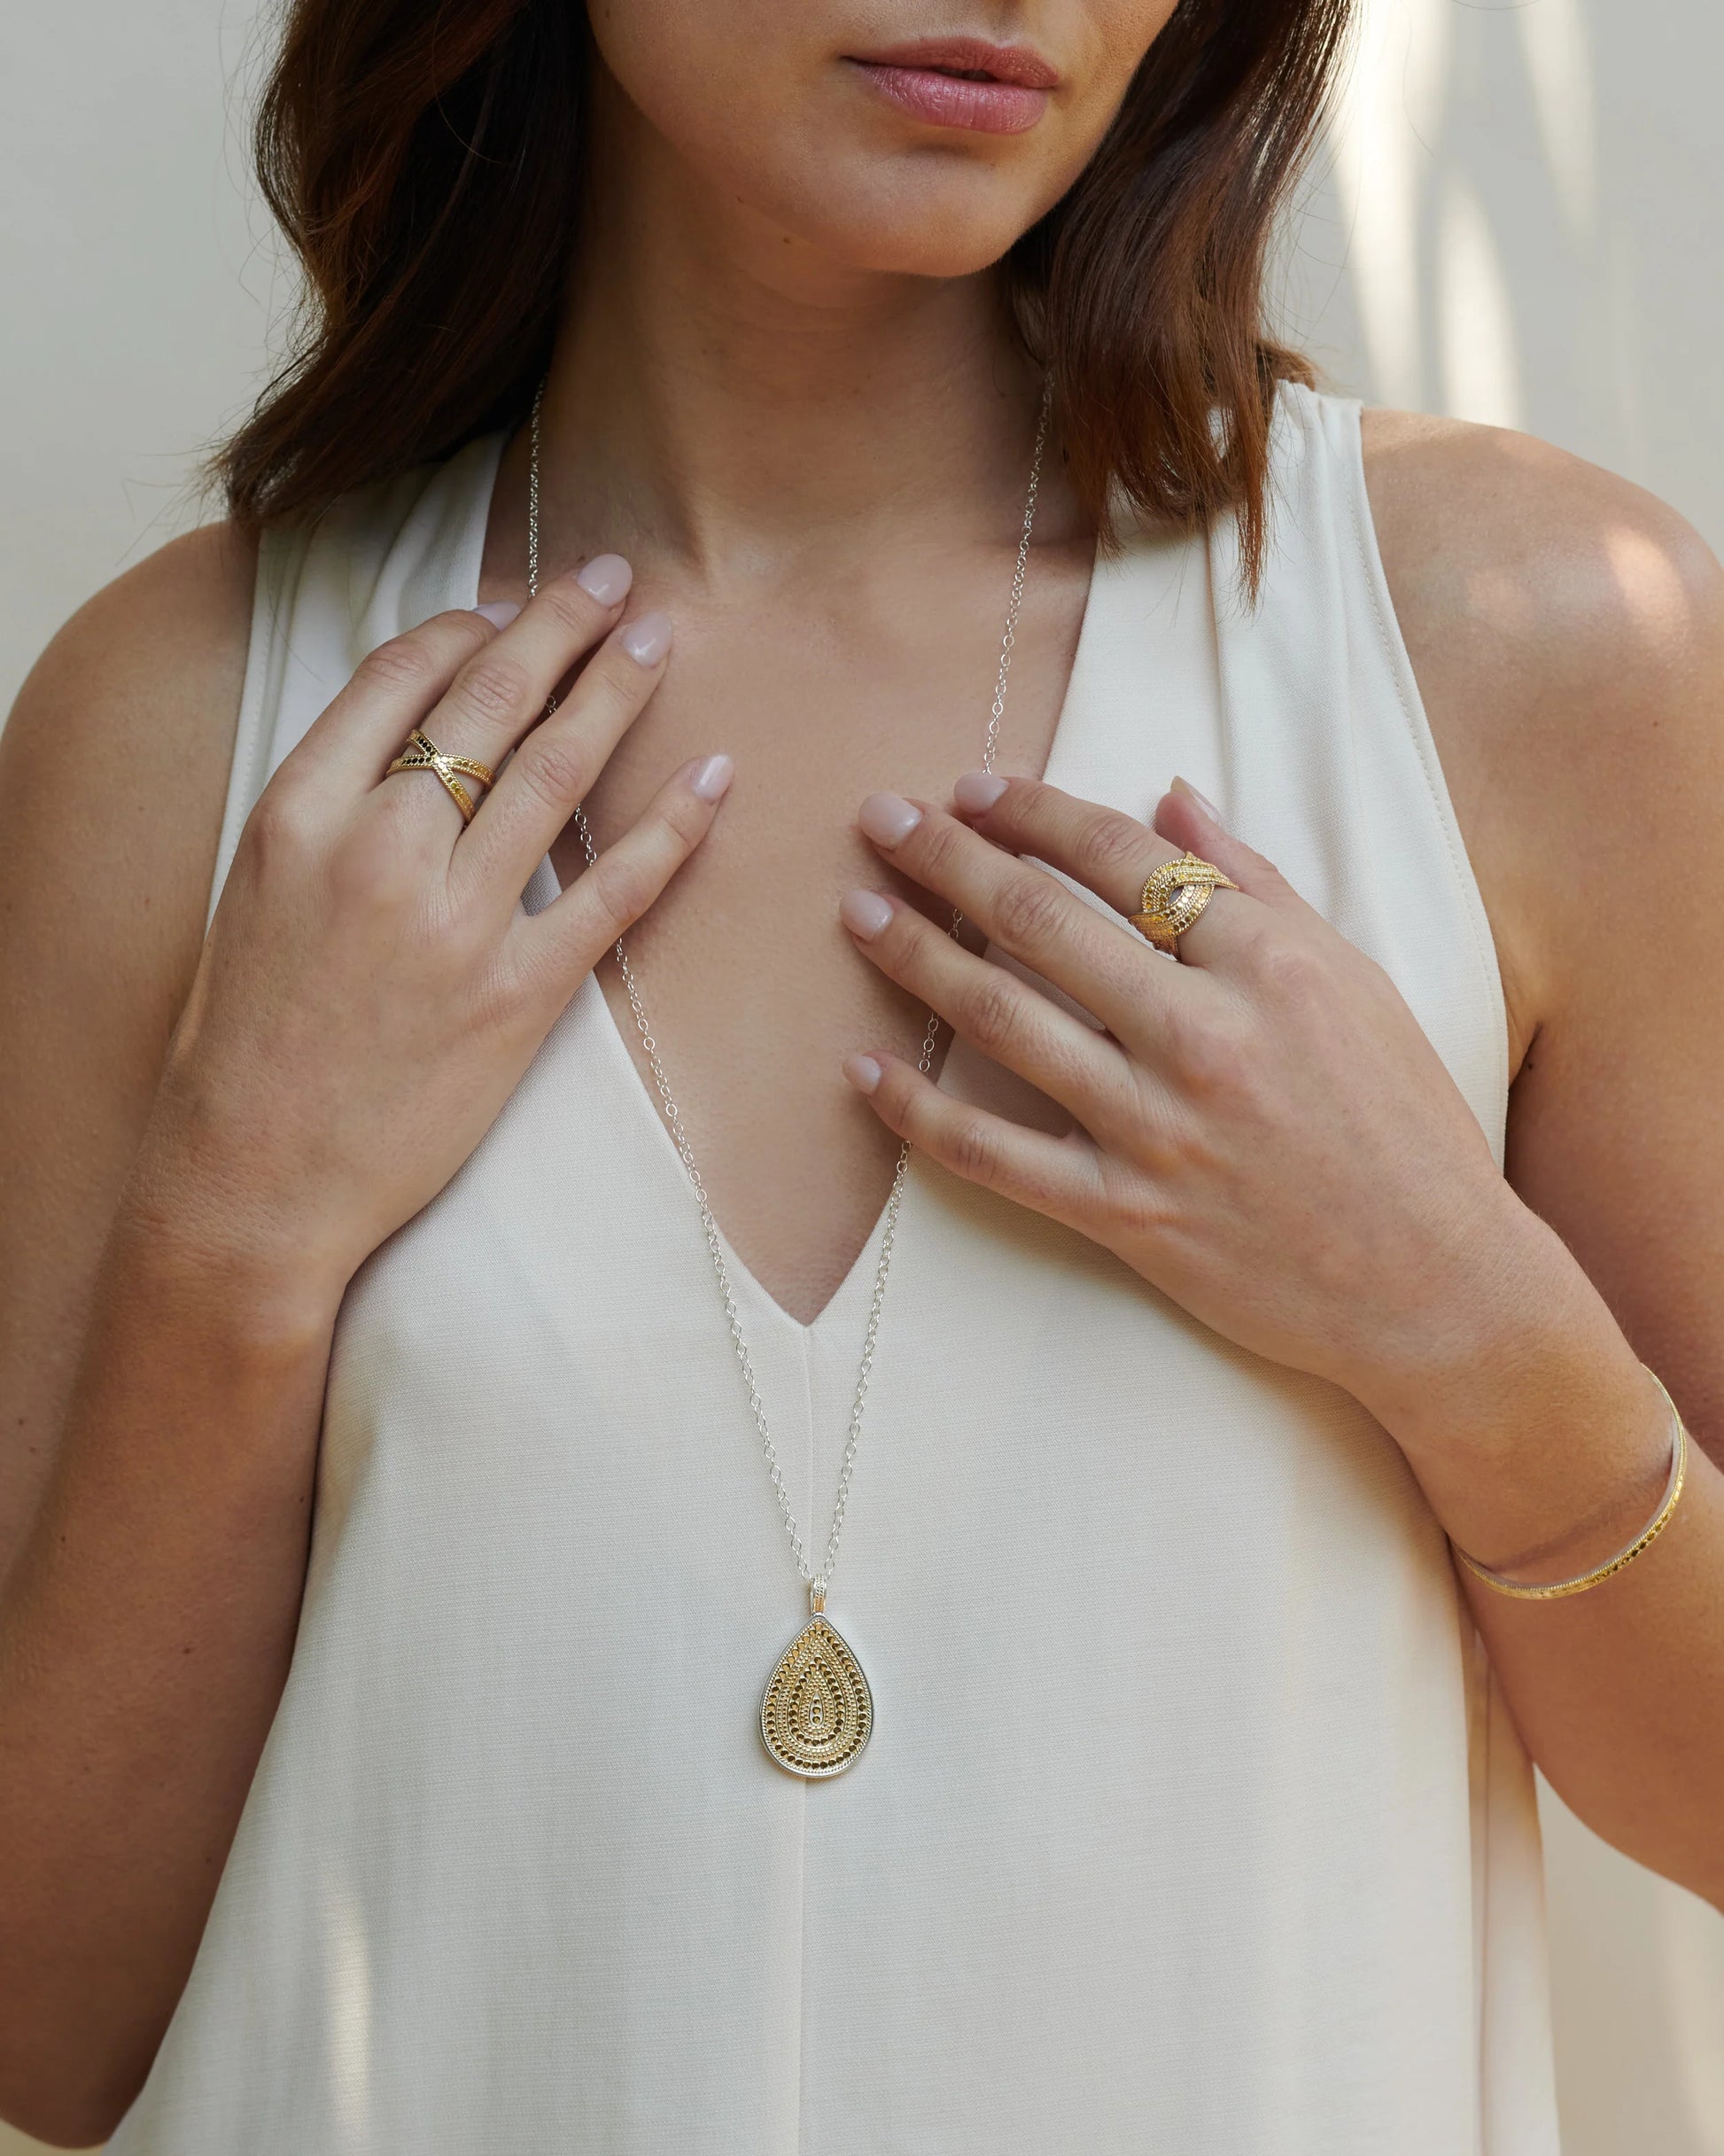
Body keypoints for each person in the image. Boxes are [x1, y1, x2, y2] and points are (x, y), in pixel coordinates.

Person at [2, 0, 1720, 2147]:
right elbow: (44, 2024)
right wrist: (236, 1230)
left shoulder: (1526, 643)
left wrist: (1466, 1328)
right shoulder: (180, 732)